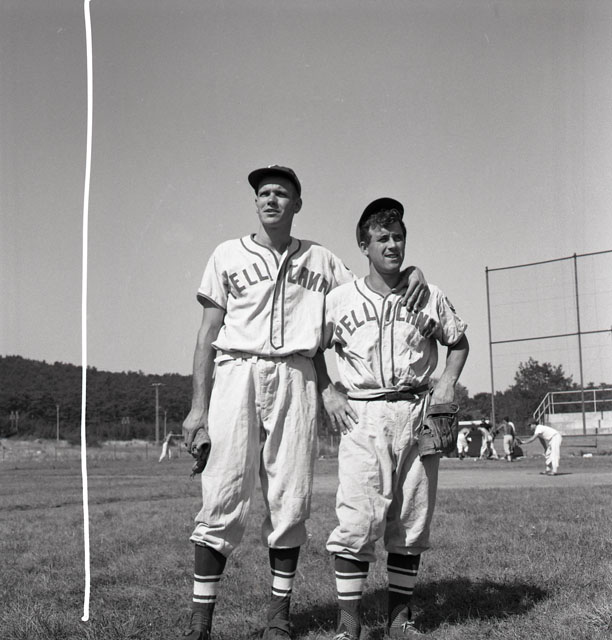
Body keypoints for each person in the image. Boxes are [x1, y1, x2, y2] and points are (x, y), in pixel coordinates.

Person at [179, 167, 429, 640]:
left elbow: (375, 281)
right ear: (256, 201)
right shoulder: (227, 254)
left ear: (297, 203)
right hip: (237, 370)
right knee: (222, 493)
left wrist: (413, 272)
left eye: (281, 193)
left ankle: (279, 618)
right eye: (264, 193)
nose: (271, 200)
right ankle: (200, 622)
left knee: (290, 498)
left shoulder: (321, 259)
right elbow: (207, 333)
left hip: (296, 374)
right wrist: (198, 407)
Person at [316, 197, 469, 639]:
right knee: (357, 519)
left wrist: (447, 382)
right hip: (363, 414)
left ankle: (400, 621)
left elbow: (458, 341)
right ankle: (349, 625)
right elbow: (312, 350)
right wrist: (328, 392)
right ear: (363, 245)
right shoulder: (340, 299)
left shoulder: (428, 294)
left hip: (417, 409)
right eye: (382, 238)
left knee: (412, 519)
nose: (392, 245)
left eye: (398, 237)